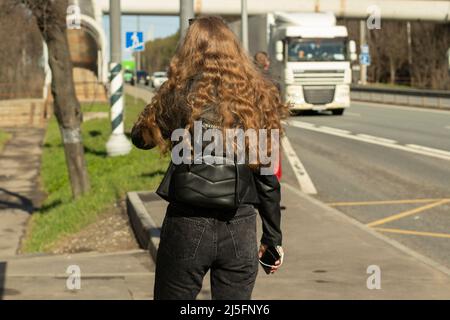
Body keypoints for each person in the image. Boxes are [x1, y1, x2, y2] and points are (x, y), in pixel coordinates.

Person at [131, 16, 288, 300]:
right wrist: (272, 238)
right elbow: (267, 176)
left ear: (190, 50)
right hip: (239, 226)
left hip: (186, 224)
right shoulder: (258, 96)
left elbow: (141, 140)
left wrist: (158, 104)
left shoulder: (177, 93)